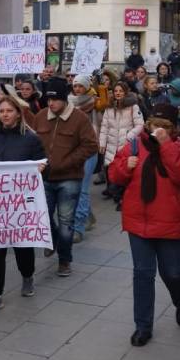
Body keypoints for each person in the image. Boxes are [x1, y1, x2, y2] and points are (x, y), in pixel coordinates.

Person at [108, 104, 180, 347]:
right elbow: (114, 177)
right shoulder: (135, 145)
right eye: (154, 125)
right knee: (143, 273)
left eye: (165, 127)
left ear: (175, 129)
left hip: (171, 222)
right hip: (139, 222)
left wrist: (166, 145)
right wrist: (123, 166)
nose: (157, 130)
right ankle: (143, 326)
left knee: (172, 272)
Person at [0, 97, 47, 314]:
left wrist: (42, 169)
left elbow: (44, 165)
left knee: (23, 248)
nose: (5, 114)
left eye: (9, 110)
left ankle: (27, 275)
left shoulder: (31, 140)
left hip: (21, 207)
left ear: (18, 113)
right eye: (1, 111)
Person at [32, 77, 98, 277]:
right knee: (43, 216)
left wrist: (66, 163)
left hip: (69, 178)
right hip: (45, 177)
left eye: (55, 100)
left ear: (64, 99)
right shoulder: (42, 116)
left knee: (66, 222)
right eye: (48, 100)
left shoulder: (79, 119)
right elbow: (33, 142)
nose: (51, 104)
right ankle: (51, 239)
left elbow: (90, 146)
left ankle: (64, 260)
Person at [99, 82, 144, 204]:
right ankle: (113, 190)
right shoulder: (109, 107)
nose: (118, 93)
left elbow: (140, 124)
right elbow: (104, 126)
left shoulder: (133, 107)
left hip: (125, 144)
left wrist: (129, 135)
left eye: (120, 91)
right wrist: (102, 143)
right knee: (111, 167)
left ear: (125, 92)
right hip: (111, 143)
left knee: (124, 169)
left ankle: (123, 198)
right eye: (116, 91)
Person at [68, 75, 99, 242]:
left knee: (83, 188)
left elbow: (103, 122)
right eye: (75, 86)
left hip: (90, 149)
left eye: (81, 86)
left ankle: (78, 227)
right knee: (76, 186)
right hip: (73, 149)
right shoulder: (68, 103)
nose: (77, 89)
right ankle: (88, 214)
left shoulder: (95, 102)